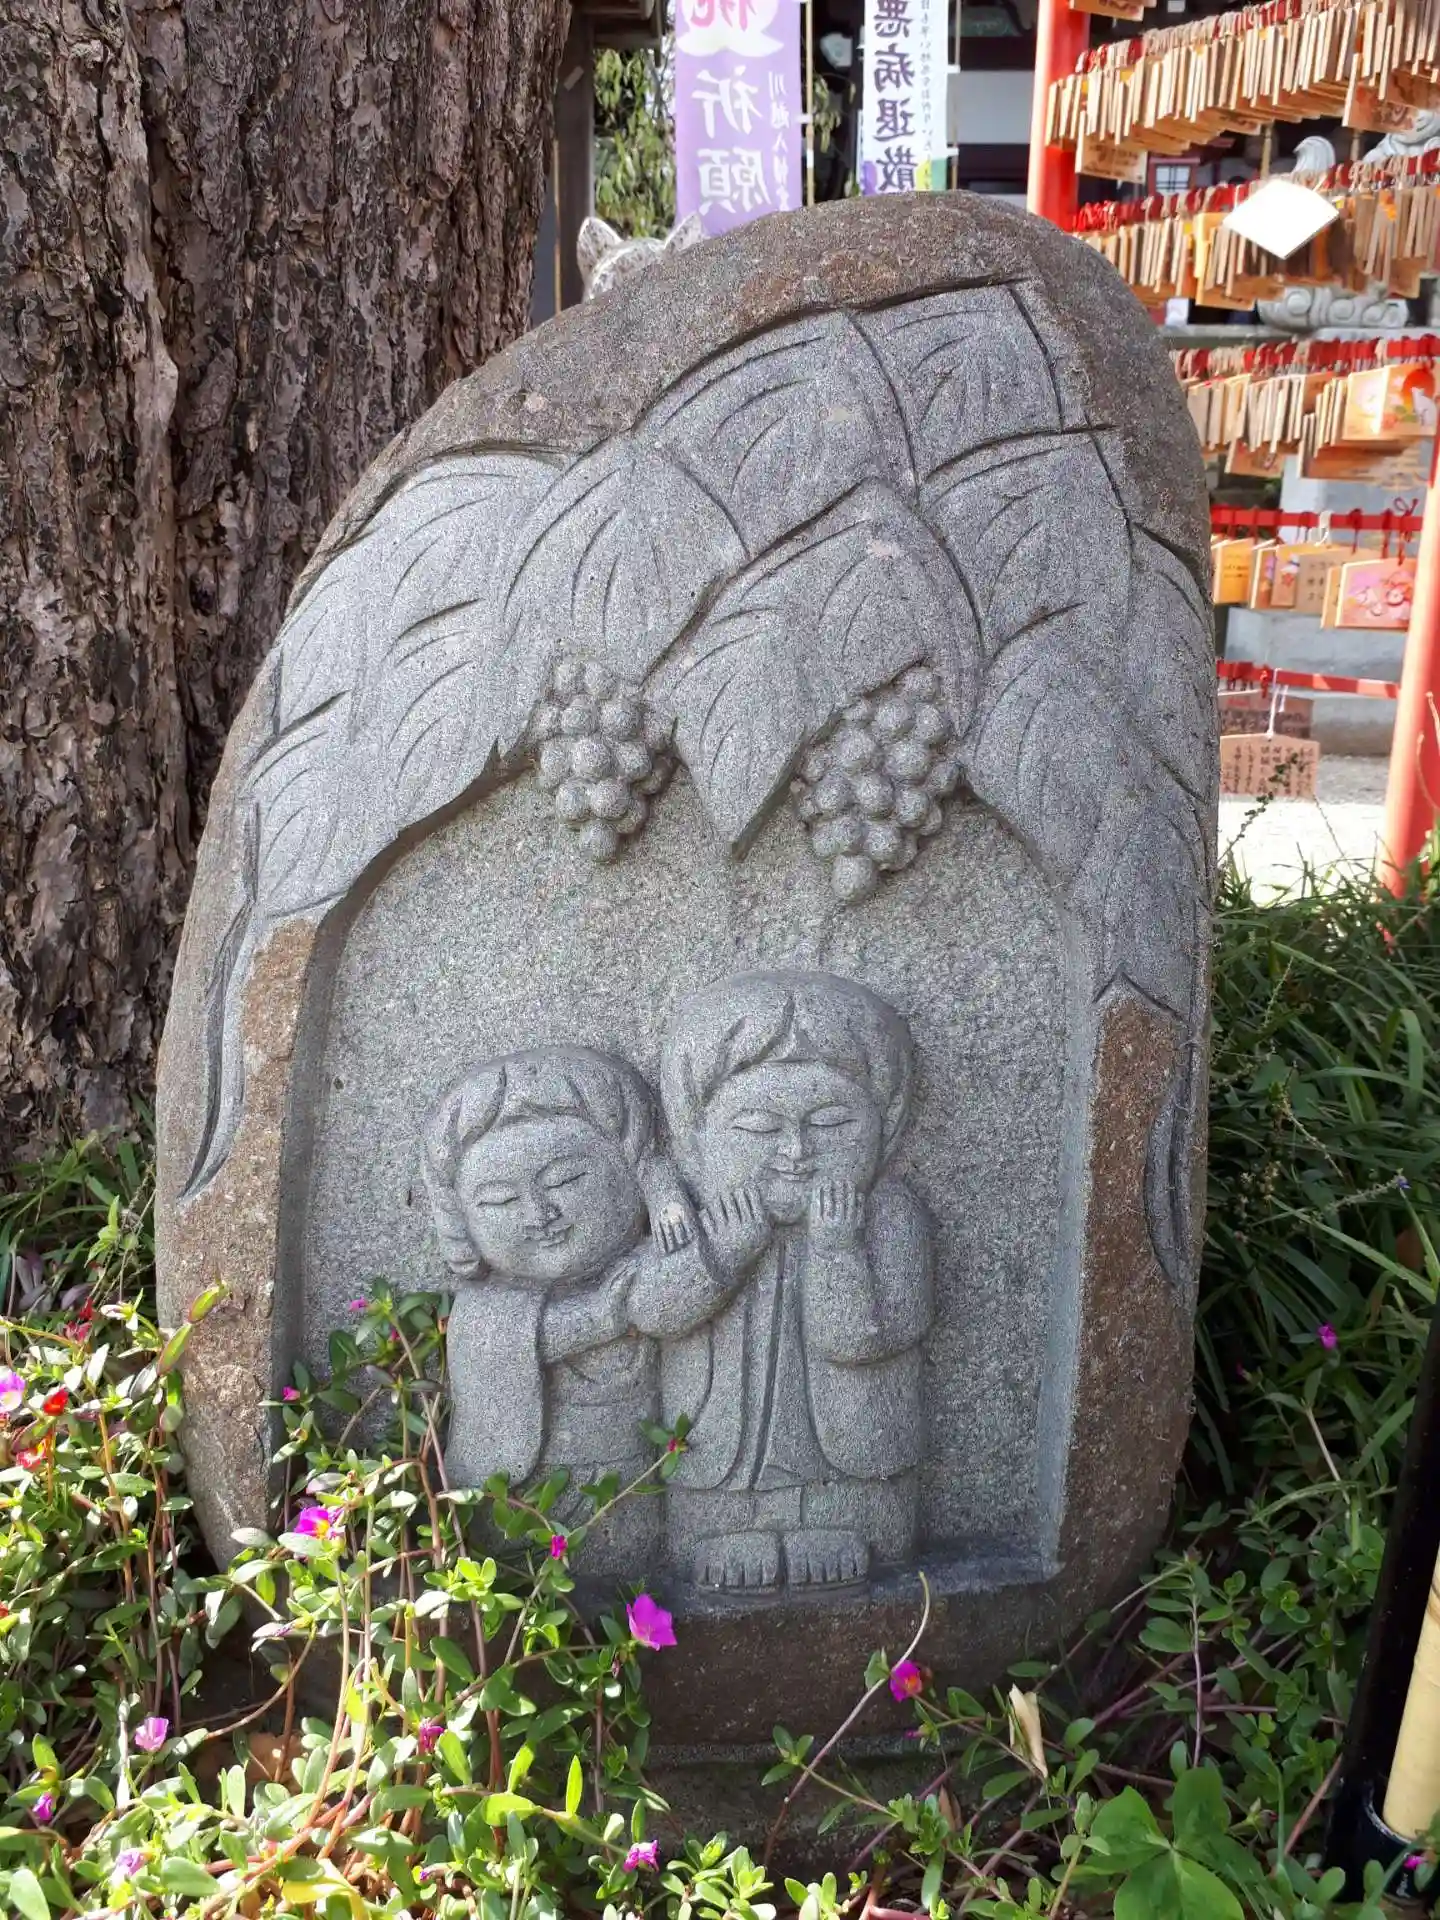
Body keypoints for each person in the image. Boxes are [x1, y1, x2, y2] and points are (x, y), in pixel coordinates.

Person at [658, 970, 934, 1593]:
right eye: (758, 1127)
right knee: (714, 1500)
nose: (795, 1151)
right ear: (698, 1136)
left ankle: (837, 1524)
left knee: (862, 1502)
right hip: (718, 1461)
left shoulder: (891, 1215)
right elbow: (657, 1315)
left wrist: (836, 1248)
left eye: (831, 1122)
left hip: (856, 1456)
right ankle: (732, 1529)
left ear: (885, 1123)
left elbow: (859, 1339)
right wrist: (722, 1254)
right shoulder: (699, 1219)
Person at [421, 1046, 706, 1572]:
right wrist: (601, 1316)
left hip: (635, 1485)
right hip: (525, 1499)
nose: (540, 1213)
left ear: (628, 1173)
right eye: (501, 1201)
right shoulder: (487, 1306)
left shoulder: (641, 1265)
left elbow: (689, 1287)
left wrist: (665, 1191)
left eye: (565, 1180)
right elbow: (513, 1339)